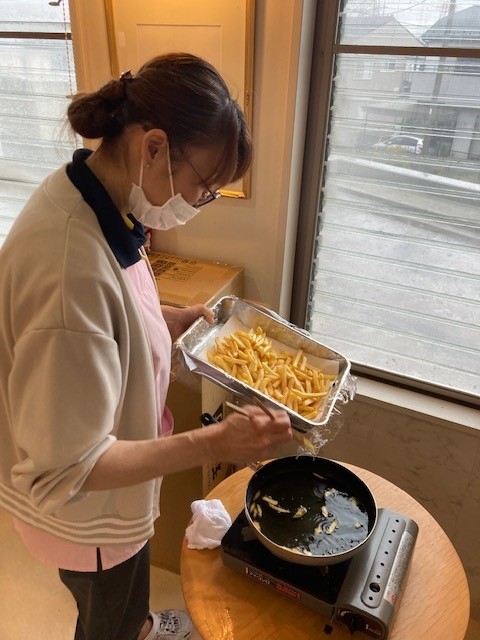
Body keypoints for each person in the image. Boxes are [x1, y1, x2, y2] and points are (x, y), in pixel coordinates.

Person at [0, 53, 293, 640]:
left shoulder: (97, 197)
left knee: (126, 605)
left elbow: (111, 312)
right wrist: (216, 441)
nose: (197, 204)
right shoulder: (69, 270)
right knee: (106, 620)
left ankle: (140, 625)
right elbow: (69, 467)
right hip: (89, 517)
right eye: (202, 188)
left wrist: (164, 319)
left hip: (115, 493)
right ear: (154, 147)